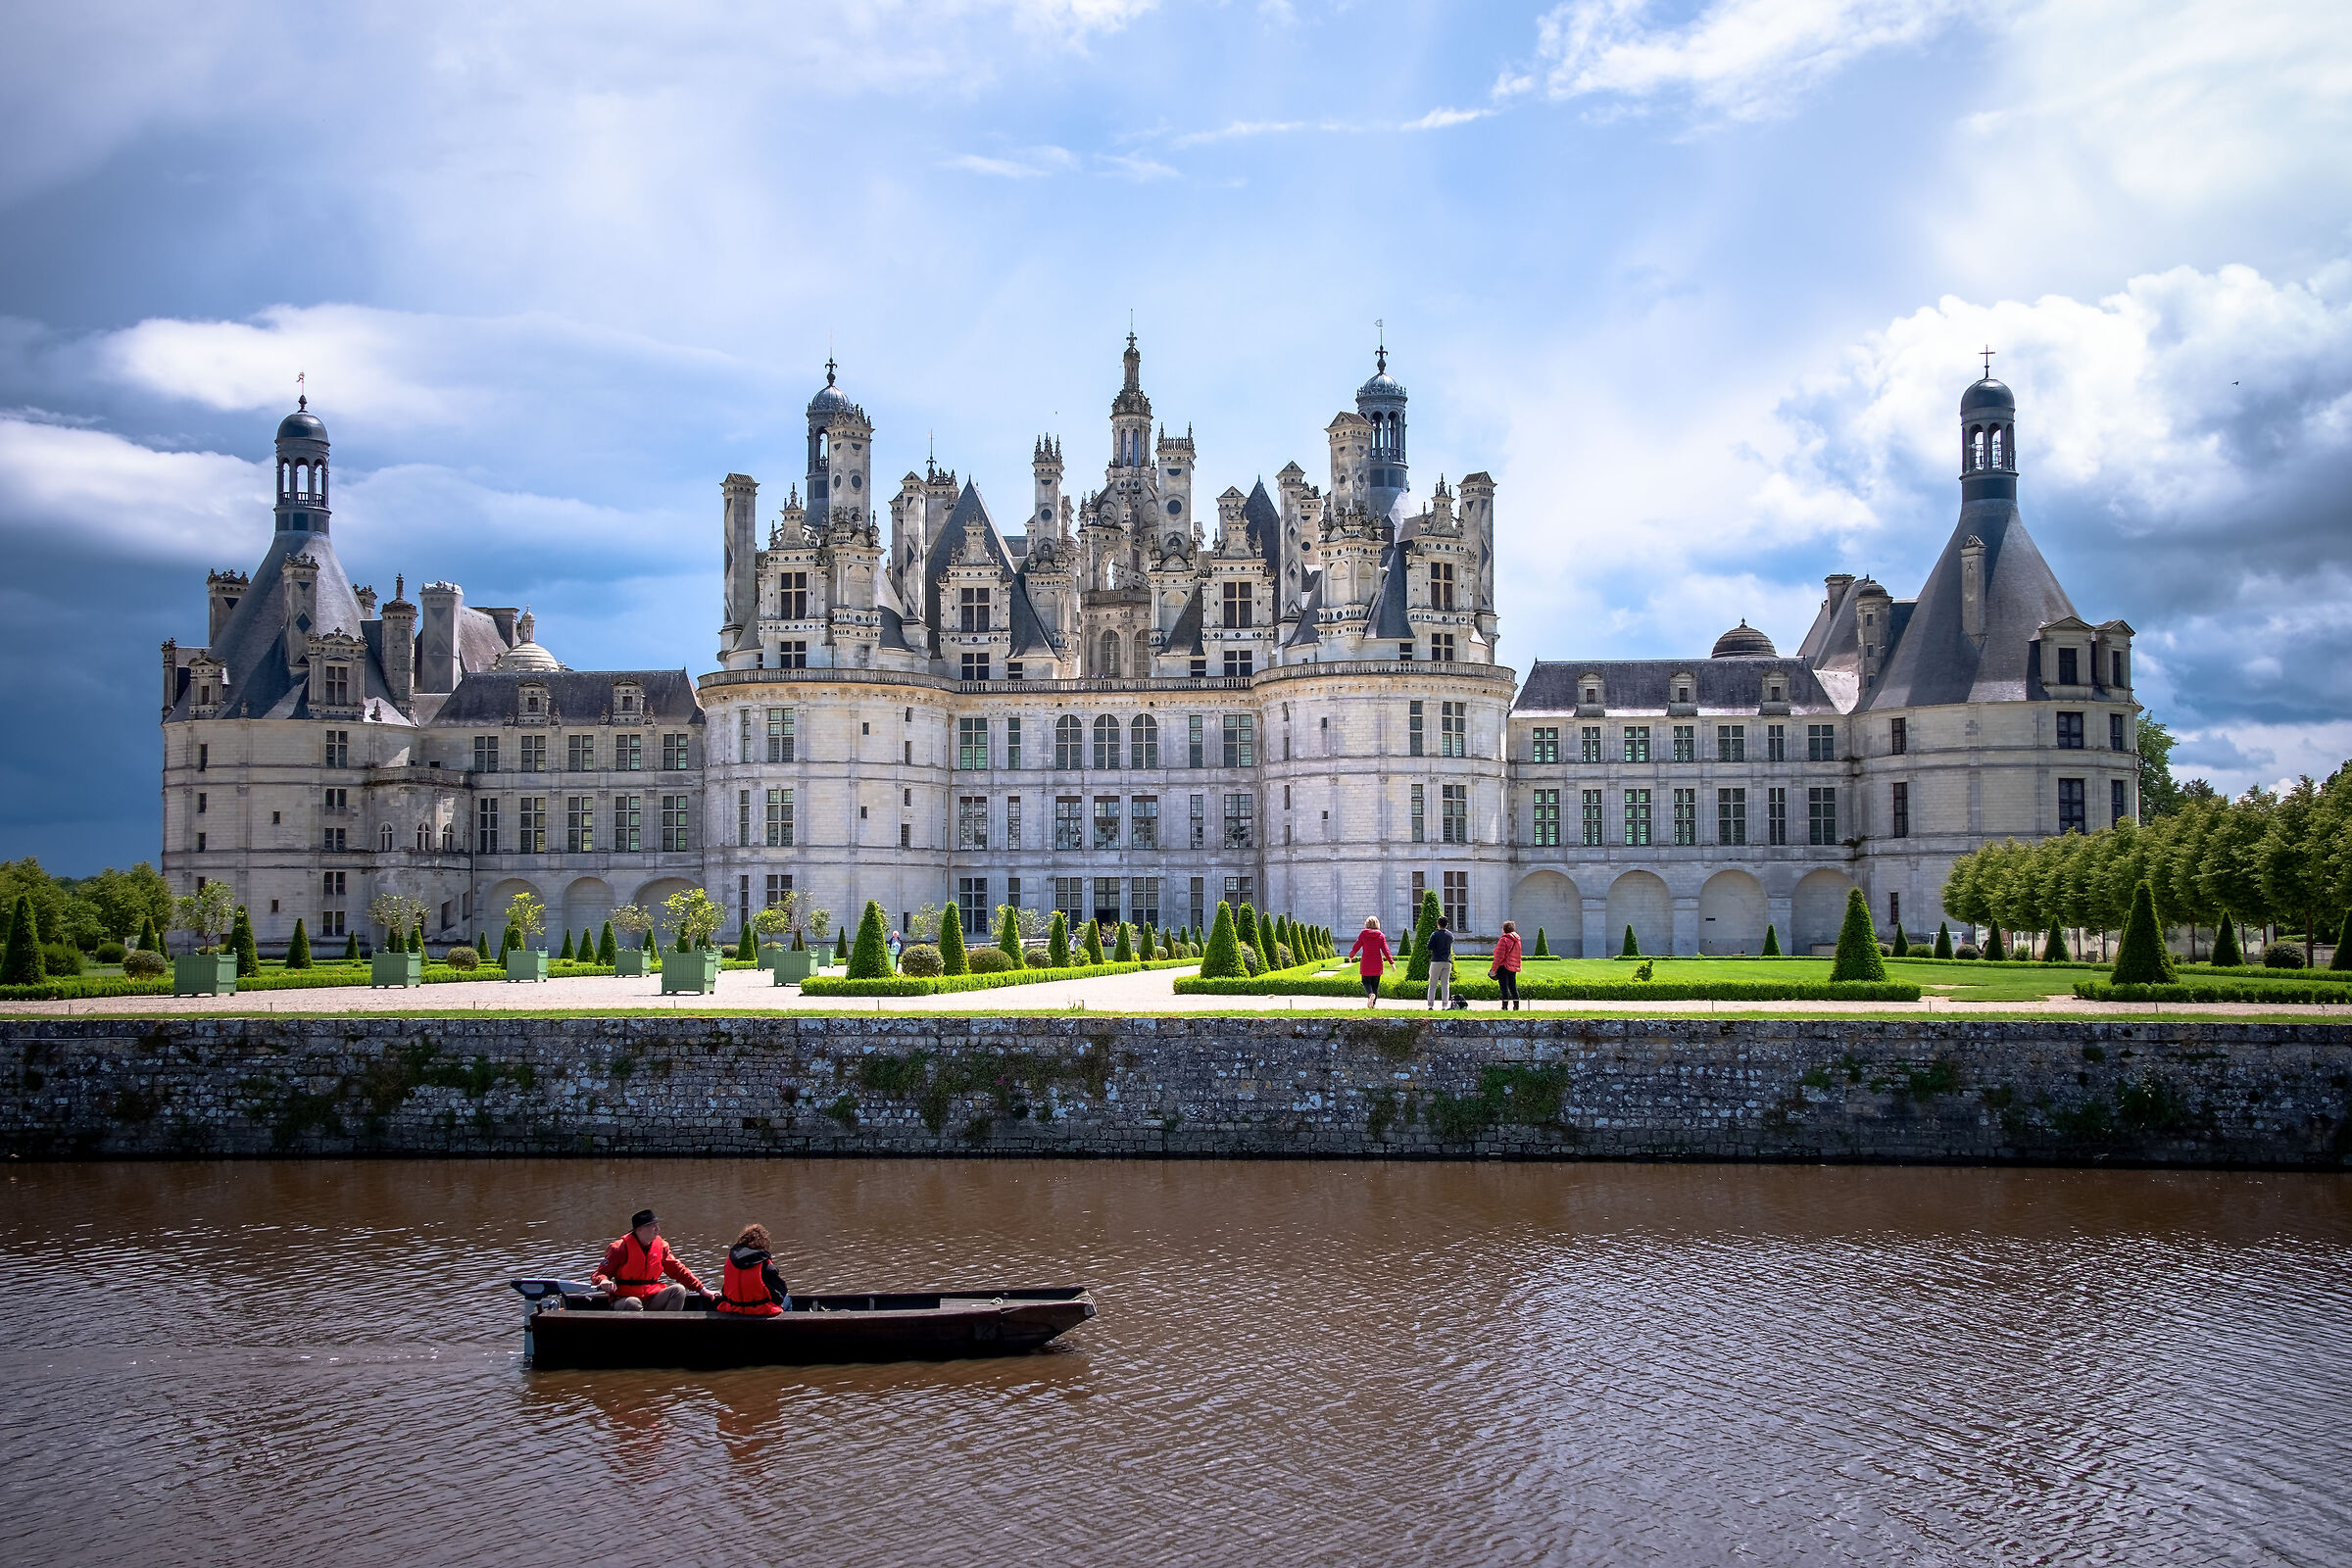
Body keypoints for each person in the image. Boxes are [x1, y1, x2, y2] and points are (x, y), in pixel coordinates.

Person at [591, 1209, 713, 1311]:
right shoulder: (619, 1248)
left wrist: (702, 1289)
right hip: (625, 1300)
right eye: (652, 1226)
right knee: (633, 1303)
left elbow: (678, 1271)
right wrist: (603, 1281)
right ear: (639, 1230)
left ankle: (665, 1331)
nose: (657, 1229)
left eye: (657, 1225)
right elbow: (599, 1274)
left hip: (652, 1298)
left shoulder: (661, 1247)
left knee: (678, 1291)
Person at [715, 1223, 790, 1316]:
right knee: (787, 1299)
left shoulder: (730, 1261)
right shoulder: (765, 1265)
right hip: (761, 1310)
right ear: (764, 1243)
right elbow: (779, 1295)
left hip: (733, 1309)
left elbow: (725, 1292)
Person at [1348, 916, 1393, 1009]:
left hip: (1366, 963)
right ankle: (1373, 1005)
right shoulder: (1381, 935)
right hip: (1377, 964)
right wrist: (1391, 962)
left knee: (1366, 981)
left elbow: (1357, 946)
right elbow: (1385, 950)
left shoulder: (1363, 934)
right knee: (1375, 985)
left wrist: (1351, 955)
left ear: (1367, 924)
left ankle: (1370, 994)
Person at [1491, 919, 1524, 1010]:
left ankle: (1505, 1007)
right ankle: (1516, 1006)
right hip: (1513, 966)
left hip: (1504, 966)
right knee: (1513, 987)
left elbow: (1499, 956)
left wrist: (1493, 969)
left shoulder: (1504, 940)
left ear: (1504, 929)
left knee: (1504, 987)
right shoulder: (1517, 940)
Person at [1425, 914, 1454, 1009]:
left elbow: (1429, 947)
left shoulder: (1435, 934)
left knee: (1433, 983)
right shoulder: (1450, 935)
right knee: (1445, 984)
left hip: (1436, 960)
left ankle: (1430, 1005)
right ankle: (1444, 1005)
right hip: (1447, 961)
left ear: (1438, 924)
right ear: (1447, 925)